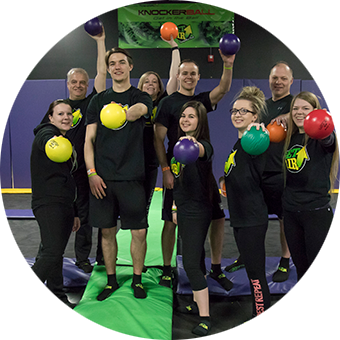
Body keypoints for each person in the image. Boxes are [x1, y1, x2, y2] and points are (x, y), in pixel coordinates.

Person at [154, 50, 235, 291]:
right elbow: (158, 139)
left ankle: (216, 268)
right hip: (176, 172)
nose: (188, 76)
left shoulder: (200, 102)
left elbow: (222, 89)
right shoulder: (167, 103)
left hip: (202, 173)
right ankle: (168, 269)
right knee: (170, 221)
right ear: (177, 76)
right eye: (184, 73)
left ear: (198, 77)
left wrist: (228, 64)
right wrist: (166, 169)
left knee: (217, 218)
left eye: (193, 73)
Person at [28, 27, 107, 273]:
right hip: (61, 174)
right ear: (67, 84)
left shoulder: (92, 102)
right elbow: (40, 133)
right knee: (54, 220)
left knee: (83, 218)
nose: (79, 85)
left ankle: (82, 259)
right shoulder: (59, 108)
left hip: (84, 170)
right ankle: (44, 260)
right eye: (74, 82)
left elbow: (102, 72)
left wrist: (100, 41)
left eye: (83, 82)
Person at [84, 47, 153, 301]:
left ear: (130, 66)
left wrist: (122, 113)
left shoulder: (141, 96)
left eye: (121, 62)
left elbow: (139, 111)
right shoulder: (98, 100)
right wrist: (91, 172)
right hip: (102, 178)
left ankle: (137, 279)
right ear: (108, 68)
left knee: (139, 232)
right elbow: (89, 140)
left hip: (132, 176)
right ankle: (111, 281)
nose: (117, 67)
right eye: (112, 63)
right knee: (106, 232)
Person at [14, 99, 80, 333]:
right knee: (50, 254)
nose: (65, 117)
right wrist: (53, 140)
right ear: (50, 117)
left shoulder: (65, 139)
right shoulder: (47, 135)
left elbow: (69, 179)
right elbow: (46, 141)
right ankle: (25, 311)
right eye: (60, 113)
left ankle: (58, 297)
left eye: (69, 114)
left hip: (63, 204)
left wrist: (74, 211)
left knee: (56, 254)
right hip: (48, 204)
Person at [226, 61, 293, 283]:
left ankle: (284, 261)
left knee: (284, 219)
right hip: (257, 174)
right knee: (254, 220)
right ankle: (247, 255)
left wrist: (290, 117)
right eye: (275, 78)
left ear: (291, 81)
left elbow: (310, 119)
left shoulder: (296, 105)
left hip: (279, 172)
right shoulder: (261, 106)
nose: (279, 82)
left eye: (283, 78)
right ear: (269, 80)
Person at [282, 91, 338, 340]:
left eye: (305, 108)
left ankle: (320, 332)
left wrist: (324, 126)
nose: (299, 112)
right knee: (302, 270)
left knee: (321, 272)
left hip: (317, 214)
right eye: (296, 108)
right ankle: (307, 322)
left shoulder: (323, 136)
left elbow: (328, 139)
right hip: (292, 213)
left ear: (315, 110)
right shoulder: (291, 138)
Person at [224, 86, 270, 340]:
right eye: (234, 110)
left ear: (255, 116)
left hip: (252, 218)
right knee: (252, 272)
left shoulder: (256, 139)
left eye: (244, 111)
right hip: (240, 217)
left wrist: (261, 132)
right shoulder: (239, 142)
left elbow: (261, 148)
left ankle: (261, 327)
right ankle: (255, 318)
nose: (238, 114)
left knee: (255, 275)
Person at [172, 101, 216, 336]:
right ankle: (199, 303)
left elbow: (201, 151)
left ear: (200, 122)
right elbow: (178, 180)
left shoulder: (201, 146)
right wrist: (174, 205)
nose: (185, 120)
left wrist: (194, 144)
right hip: (184, 207)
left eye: (191, 117)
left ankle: (206, 317)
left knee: (189, 263)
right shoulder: (179, 144)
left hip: (198, 210)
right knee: (196, 258)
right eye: (183, 115)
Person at [137, 36, 180, 215]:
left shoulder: (164, 101)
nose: (150, 84)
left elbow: (174, 76)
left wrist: (174, 47)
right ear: (141, 84)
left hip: (153, 160)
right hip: (134, 160)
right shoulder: (135, 100)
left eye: (154, 81)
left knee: (145, 202)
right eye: (147, 81)